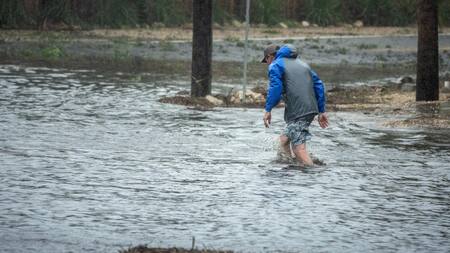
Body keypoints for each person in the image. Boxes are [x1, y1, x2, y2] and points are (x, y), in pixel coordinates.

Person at [262, 44, 328, 166]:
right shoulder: (303, 65)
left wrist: (268, 109)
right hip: (308, 109)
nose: (267, 63)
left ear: (270, 57)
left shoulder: (275, 65)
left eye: (266, 60)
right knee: (283, 142)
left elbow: (275, 88)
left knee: (299, 149)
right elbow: (318, 84)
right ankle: (291, 167)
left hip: (299, 112)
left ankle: (313, 174)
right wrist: (321, 110)